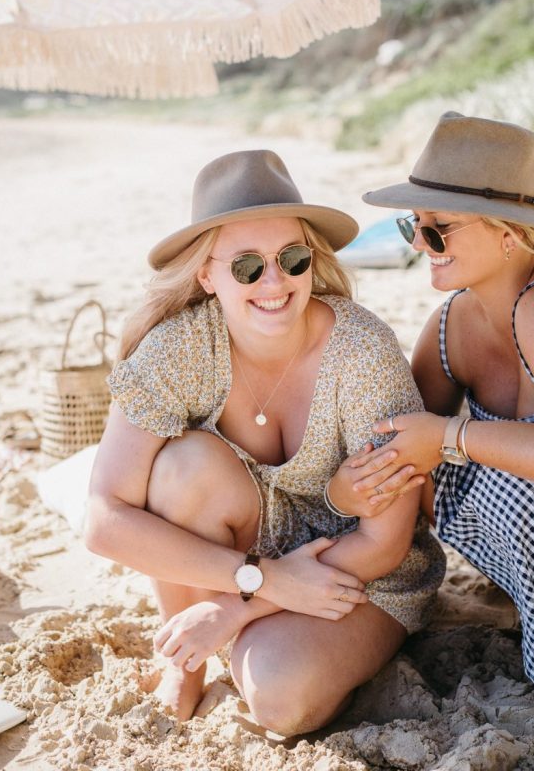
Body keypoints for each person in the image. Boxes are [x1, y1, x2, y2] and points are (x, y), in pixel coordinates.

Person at [84, 149, 445, 733]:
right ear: (207, 275)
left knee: (279, 697)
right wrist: (263, 579)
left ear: (312, 260)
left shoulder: (362, 353)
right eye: (247, 267)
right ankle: (190, 662)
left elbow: (384, 541)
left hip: (360, 567)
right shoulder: (179, 349)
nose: (274, 282)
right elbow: (104, 519)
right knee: (182, 468)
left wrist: (232, 607)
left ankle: (232, 630)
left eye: (292, 258)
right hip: (247, 558)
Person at [328, 111, 534, 711]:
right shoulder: (453, 323)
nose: (421, 246)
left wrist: (449, 436)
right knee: (455, 468)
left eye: (439, 231)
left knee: (521, 487)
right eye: (414, 228)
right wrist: (350, 491)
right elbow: (400, 451)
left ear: (510, 232)